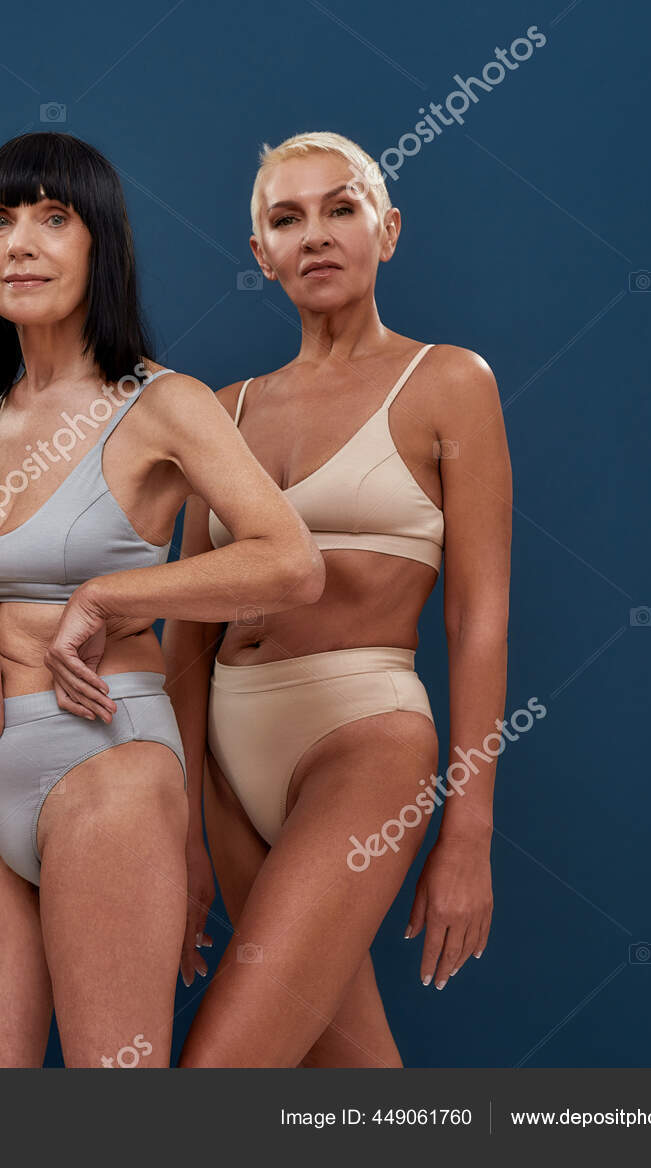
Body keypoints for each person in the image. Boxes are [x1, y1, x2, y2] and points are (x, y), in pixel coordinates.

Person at [0, 132, 323, 1067]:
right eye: (0, 220)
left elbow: (292, 563)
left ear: (100, 246)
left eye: (54, 220)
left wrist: (109, 595)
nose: (20, 244)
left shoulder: (161, 404)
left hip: (104, 767)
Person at [167, 131, 511, 1067]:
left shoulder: (447, 382)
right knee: (346, 1074)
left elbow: (477, 619)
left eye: (341, 209)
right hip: (230, 771)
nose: (315, 235)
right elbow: (182, 641)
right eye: (287, 218)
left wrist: (467, 829)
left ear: (386, 231)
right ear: (261, 255)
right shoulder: (221, 410)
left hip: (363, 743)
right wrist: (183, 828)